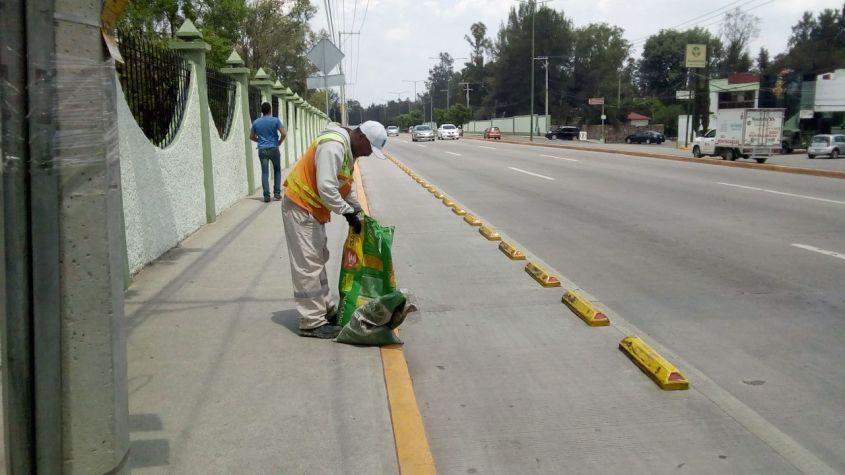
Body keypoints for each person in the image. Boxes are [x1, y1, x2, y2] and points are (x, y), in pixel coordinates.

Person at [282, 120, 387, 339]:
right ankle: (311, 322)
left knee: (318, 259)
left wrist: (357, 211)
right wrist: (347, 213)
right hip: (300, 207)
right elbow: (327, 186)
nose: (368, 154)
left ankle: (325, 309)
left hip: (312, 210)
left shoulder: (348, 150)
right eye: (369, 149)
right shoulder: (333, 146)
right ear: (361, 138)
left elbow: (344, 186)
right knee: (307, 264)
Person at [250, 102, 287, 203]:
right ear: (270, 110)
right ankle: (277, 193)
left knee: (265, 172)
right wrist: (279, 141)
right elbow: (283, 133)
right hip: (274, 148)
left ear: (261, 111)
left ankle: (266, 196)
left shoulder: (256, 122)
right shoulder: (275, 121)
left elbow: (251, 136)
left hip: (262, 150)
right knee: (277, 170)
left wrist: (259, 141)